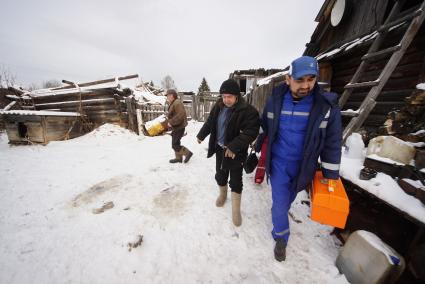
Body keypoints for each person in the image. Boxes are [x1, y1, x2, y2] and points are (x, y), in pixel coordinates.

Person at [257, 56, 342, 261]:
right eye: (300, 80)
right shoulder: (276, 100)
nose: (306, 85)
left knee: (289, 198)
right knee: (279, 200)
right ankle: (281, 237)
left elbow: (332, 141)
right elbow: (265, 125)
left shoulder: (325, 106)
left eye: (311, 79)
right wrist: (257, 146)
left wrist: (331, 173)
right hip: (278, 162)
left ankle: (279, 212)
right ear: (288, 79)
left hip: (305, 165)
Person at [197, 79, 260, 226]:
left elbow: (251, 131)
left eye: (229, 97)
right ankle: (223, 194)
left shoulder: (247, 111)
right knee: (220, 174)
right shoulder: (218, 106)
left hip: (236, 152)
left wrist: (233, 146)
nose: (226, 100)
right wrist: (201, 135)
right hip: (220, 149)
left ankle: (236, 210)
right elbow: (210, 122)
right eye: (224, 96)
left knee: (236, 180)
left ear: (237, 96)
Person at [165, 89, 193, 163]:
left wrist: (171, 122)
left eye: (168, 96)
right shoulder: (174, 103)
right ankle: (178, 158)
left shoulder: (177, 103)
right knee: (176, 143)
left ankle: (188, 153)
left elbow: (180, 115)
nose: (167, 97)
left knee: (174, 145)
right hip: (176, 127)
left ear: (172, 96)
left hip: (179, 127)